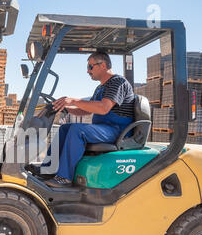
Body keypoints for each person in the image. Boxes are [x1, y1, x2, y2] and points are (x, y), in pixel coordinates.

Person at [36, 51, 136, 188]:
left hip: (117, 129)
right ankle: (47, 170)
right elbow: (86, 110)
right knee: (66, 128)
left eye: (90, 66)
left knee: (78, 130)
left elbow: (103, 108)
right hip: (105, 128)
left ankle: (64, 178)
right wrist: (65, 107)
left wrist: (73, 100)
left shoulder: (117, 82)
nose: (88, 71)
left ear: (103, 65)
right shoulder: (100, 88)